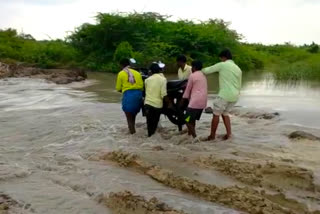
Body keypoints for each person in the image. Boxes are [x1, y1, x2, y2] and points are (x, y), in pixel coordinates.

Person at [202, 49, 242, 141]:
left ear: (223, 57)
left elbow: (207, 71)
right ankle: (229, 134)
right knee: (225, 114)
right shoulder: (238, 68)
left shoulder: (222, 65)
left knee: (216, 114)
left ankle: (212, 136)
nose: (221, 60)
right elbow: (239, 84)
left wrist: (198, 70)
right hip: (234, 96)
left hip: (224, 95)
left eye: (221, 58)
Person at [116, 58, 144, 134]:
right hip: (138, 96)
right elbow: (141, 86)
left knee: (129, 118)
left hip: (129, 96)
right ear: (129, 64)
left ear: (121, 65)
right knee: (133, 116)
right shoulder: (138, 73)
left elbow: (118, 88)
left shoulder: (121, 73)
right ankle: (133, 134)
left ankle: (133, 136)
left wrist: (126, 89)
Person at [182, 60, 208, 141]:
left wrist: (183, 99)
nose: (191, 68)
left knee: (186, 119)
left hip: (194, 103)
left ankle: (195, 138)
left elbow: (188, 89)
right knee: (192, 120)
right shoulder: (203, 75)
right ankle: (190, 134)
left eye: (192, 67)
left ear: (194, 67)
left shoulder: (192, 75)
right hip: (202, 103)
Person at [144, 63, 167, 137]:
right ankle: (153, 139)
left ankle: (149, 138)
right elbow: (163, 94)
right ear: (159, 70)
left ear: (150, 71)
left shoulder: (147, 80)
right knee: (154, 124)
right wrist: (169, 103)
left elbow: (146, 92)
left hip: (147, 104)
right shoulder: (163, 79)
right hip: (157, 105)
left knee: (149, 124)